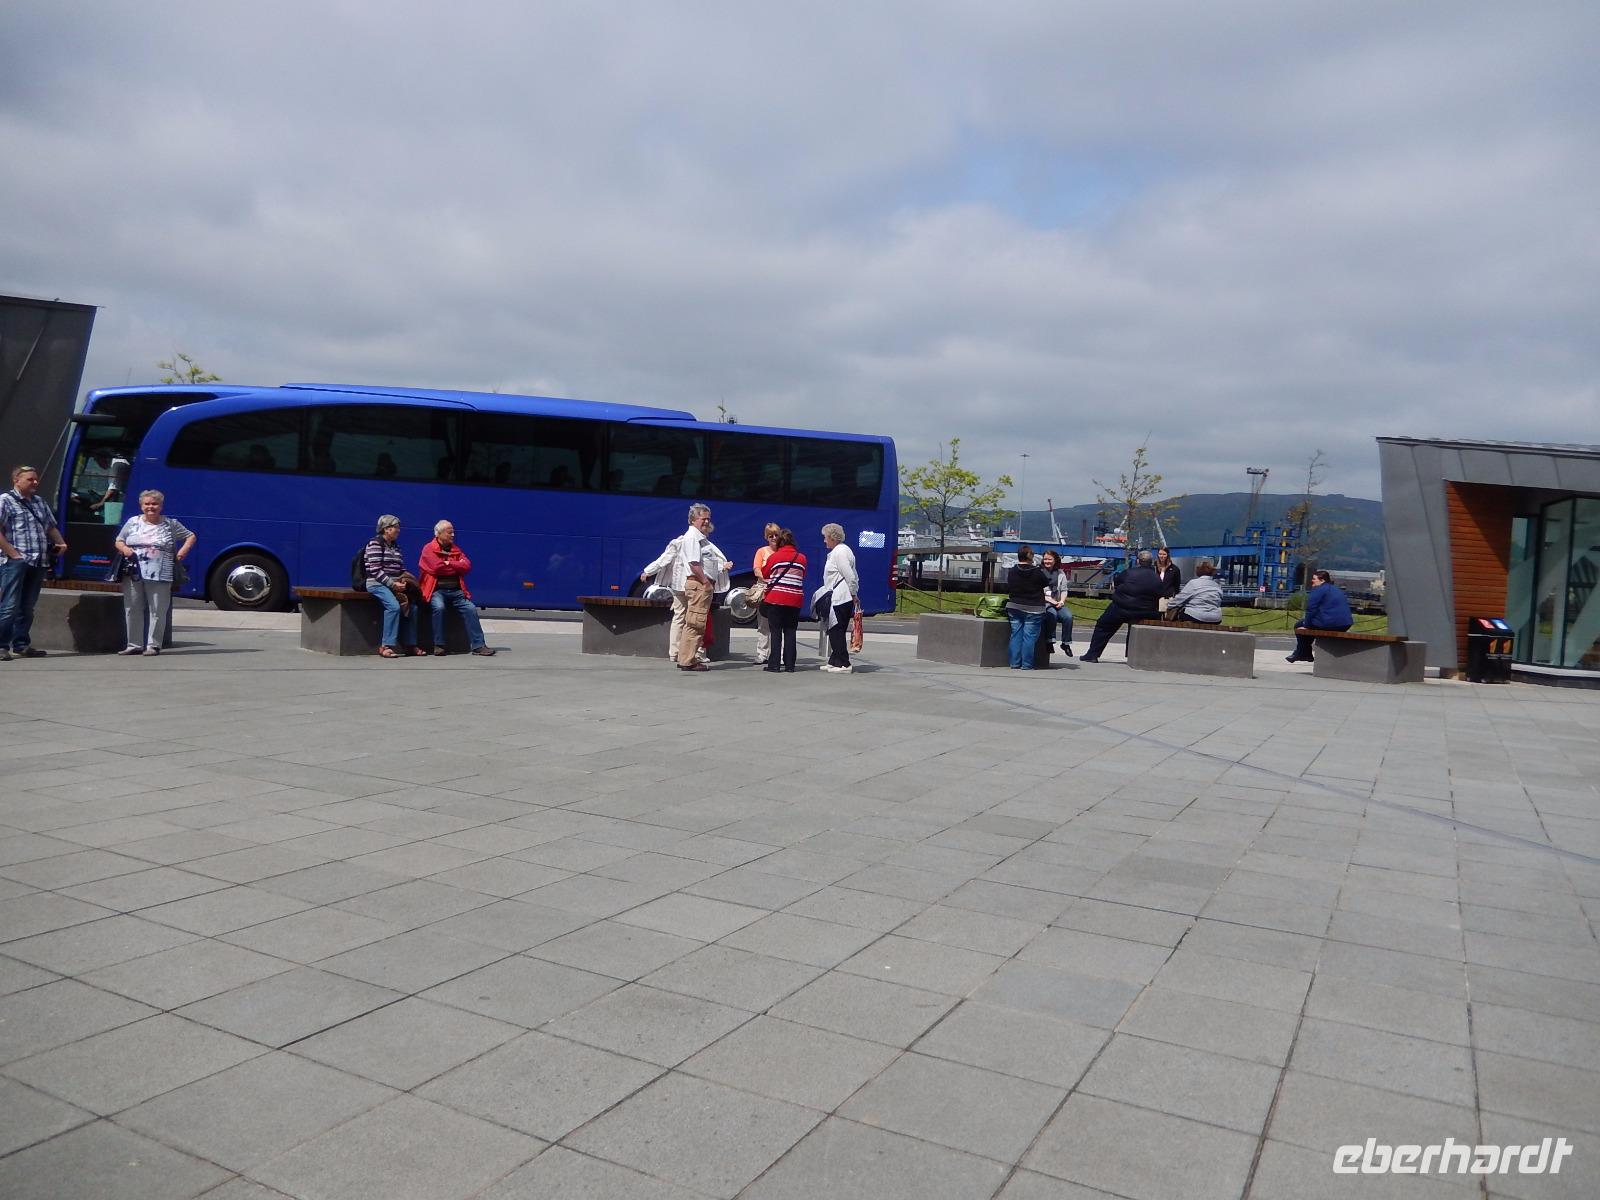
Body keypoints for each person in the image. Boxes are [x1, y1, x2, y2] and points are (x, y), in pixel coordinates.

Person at [113, 490, 196, 656]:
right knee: (132, 607)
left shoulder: (170, 524)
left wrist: (182, 552)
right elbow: (119, 540)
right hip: (133, 571)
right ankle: (134, 645)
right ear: (141, 506)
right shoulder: (133, 522)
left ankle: (153, 645)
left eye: (154, 504)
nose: (150, 507)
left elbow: (190, 536)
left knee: (157, 610)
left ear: (161, 506)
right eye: (147, 504)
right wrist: (125, 549)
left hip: (161, 572)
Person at [0, 465, 69, 661]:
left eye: (36, 479)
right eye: (30, 479)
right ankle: (2, 645)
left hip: (39, 560)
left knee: (27, 607)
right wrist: (14, 554)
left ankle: (21, 644)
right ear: (16, 480)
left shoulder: (39, 501)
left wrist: (61, 543)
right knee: (9, 605)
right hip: (15, 562)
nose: (35, 482)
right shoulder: (5, 501)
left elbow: (50, 526)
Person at [418, 520, 495, 656]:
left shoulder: (455, 549)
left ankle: (478, 645)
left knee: (471, 609)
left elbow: (467, 566)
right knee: (439, 608)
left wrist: (448, 563)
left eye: (453, 532)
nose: (453, 535)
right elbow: (436, 568)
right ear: (439, 534)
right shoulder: (428, 549)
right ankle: (439, 645)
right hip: (437, 591)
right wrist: (456, 565)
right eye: (450, 532)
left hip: (456, 591)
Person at [1081, 549, 1166, 662]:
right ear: (1151, 562)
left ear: (1138, 561)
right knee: (1135, 631)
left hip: (1122, 607)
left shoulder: (1128, 572)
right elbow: (1160, 593)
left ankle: (1092, 654)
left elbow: (1117, 582)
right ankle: (1131, 656)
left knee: (1103, 626)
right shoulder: (1156, 578)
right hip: (1145, 611)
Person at [363, 515, 424, 658]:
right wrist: (392, 584)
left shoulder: (396, 546)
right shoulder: (375, 544)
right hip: (376, 583)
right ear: (386, 529)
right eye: (396, 527)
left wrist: (405, 581)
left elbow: (400, 568)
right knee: (393, 607)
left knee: (412, 608)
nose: (398, 530)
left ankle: (410, 645)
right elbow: (375, 570)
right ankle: (386, 646)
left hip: (395, 583)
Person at [674, 503, 719, 671]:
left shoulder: (699, 537)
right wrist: (706, 582)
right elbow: (694, 563)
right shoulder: (693, 537)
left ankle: (686, 658)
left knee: (695, 621)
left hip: (700, 584)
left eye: (708, 519)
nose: (706, 522)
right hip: (699, 584)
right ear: (693, 519)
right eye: (703, 519)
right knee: (696, 622)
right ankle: (688, 660)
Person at [758, 528, 807, 673]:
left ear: (780, 542)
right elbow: (803, 574)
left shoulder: (774, 557)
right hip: (795, 599)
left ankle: (774, 664)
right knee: (791, 631)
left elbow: (765, 573)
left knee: (776, 632)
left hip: (776, 599)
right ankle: (790, 665)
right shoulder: (802, 558)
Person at [1288, 569, 1353, 664]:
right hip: (1345, 624)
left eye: (1314, 579)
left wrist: (1306, 625)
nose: (1312, 581)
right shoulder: (1336, 590)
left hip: (1330, 623)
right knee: (1311, 626)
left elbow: (1311, 609)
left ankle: (1303, 653)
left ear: (1322, 580)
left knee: (1299, 625)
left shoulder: (1319, 590)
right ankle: (1302, 653)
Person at [819, 523, 859, 673]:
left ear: (832, 537)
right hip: (841, 596)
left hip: (841, 597)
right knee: (836, 629)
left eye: (825, 537)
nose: (824, 540)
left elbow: (850, 575)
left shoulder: (840, 552)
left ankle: (844, 664)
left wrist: (853, 593)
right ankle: (834, 661)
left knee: (836, 630)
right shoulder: (841, 551)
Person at [1005, 545, 1051, 669]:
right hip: (1034, 608)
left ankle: (1014, 663)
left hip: (1014, 606)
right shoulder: (1036, 572)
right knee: (1029, 637)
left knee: (1016, 635)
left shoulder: (1012, 571)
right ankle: (1026, 664)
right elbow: (1046, 583)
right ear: (1030, 556)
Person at [752, 523, 781, 665]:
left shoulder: (783, 551)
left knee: (779, 624)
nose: (774, 538)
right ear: (766, 537)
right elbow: (756, 569)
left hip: (779, 589)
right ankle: (762, 653)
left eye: (776, 535)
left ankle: (778, 654)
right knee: (763, 624)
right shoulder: (761, 551)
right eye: (770, 536)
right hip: (764, 589)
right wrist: (765, 579)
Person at [1040, 549, 1075, 658]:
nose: (1047, 561)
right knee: (1052, 615)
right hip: (1044, 602)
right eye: (1045, 559)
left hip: (1057, 602)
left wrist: (1061, 601)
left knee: (1068, 617)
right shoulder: (1039, 572)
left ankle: (1066, 643)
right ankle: (1050, 641)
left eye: (1049, 559)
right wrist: (1052, 601)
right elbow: (1038, 591)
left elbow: (1064, 590)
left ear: (1055, 560)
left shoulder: (1061, 573)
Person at [1168, 559, 1224, 624]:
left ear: (1198, 572)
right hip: (1215, 618)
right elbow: (1219, 602)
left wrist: (1169, 605)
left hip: (1196, 615)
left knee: (1179, 613)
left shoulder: (1193, 583)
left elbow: (1180, 598)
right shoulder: (1217, 586)